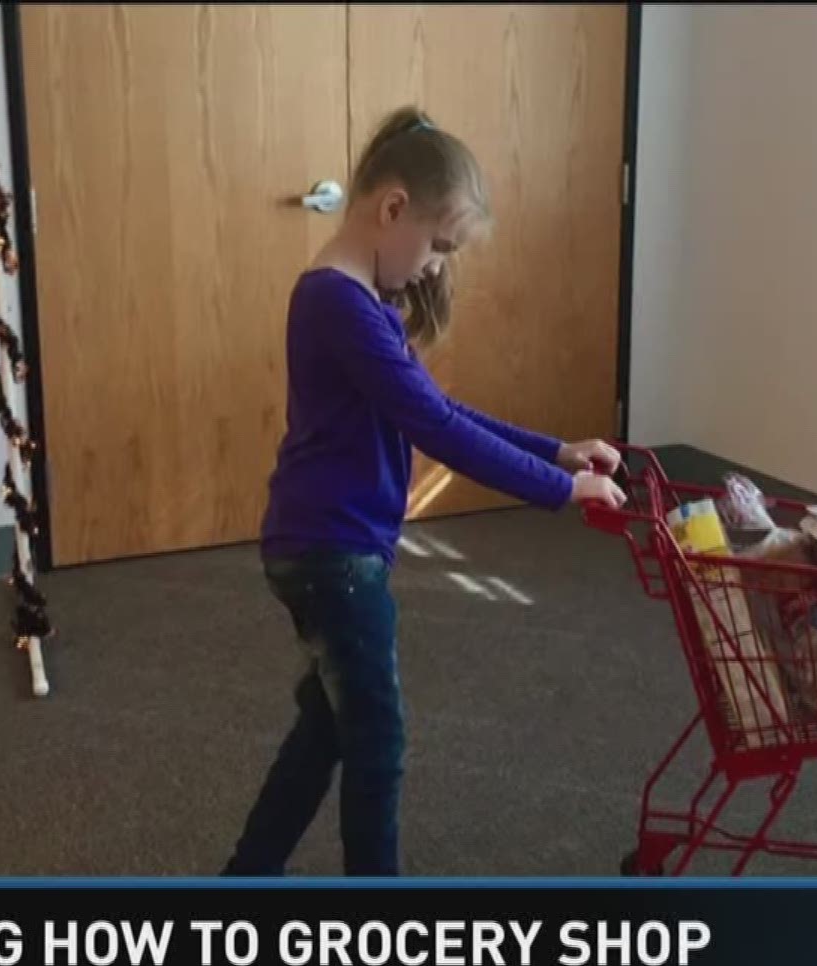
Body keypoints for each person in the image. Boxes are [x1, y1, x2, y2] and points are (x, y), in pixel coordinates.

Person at [221, 106, 627, 877]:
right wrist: (560, 488)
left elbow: (437, 410)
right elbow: (437, 427)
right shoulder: (337, 303)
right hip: (332, 558)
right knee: (379, 744)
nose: (439, 266)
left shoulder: (357, 304)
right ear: (393, 207)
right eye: (439, 246)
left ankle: (246, 877)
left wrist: (555, 451)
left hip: (323, 547)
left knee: (330, 731)